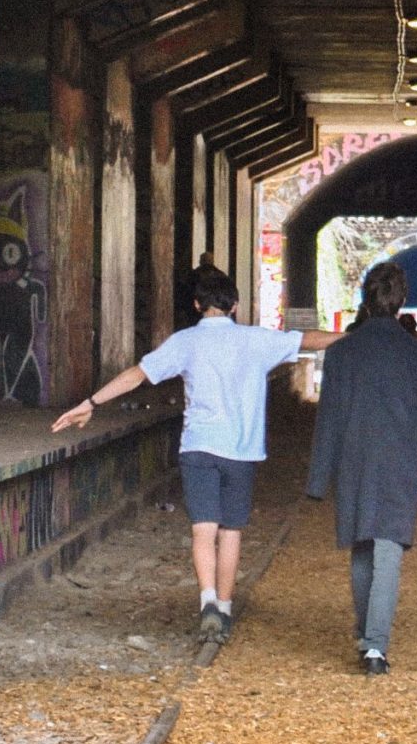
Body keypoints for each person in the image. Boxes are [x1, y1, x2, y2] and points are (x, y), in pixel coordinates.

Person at [53, 264, 339, 641]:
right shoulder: (256, 340)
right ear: (235, 305)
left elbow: (138, 374)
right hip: (241, 451)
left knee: (203, 528)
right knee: (231, 531)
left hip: (198, 448)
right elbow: (307, 341)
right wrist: (357, 334)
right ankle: (223, 607)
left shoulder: (185, 341)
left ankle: (206, 601)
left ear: (196, 304)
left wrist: (90, 401)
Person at [306, 261, 417, 675]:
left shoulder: (343, 351)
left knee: (362, 543)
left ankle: (366, 632)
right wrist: (413, 442)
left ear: (366, 299)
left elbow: (328, 416)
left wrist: (318, 478)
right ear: (402, 301)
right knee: (389, 547)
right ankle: (375, 646)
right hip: (398, 458)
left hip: (354, 456)